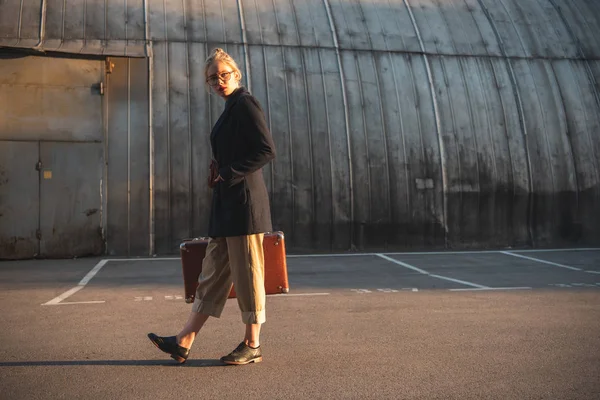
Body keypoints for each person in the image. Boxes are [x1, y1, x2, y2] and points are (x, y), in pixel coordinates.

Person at [148, 48, 276, 365]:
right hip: (227, 206)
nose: (219, 81)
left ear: (236, 72)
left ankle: (252, 344)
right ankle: (184, 340)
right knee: (212, 274)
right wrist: (219, 175)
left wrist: (229, 173)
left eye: (223, 74)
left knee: (248, 276)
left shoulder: (245, 103)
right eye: (212, 78)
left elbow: (266, 150)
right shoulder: (230, 108)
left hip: (244, 206)